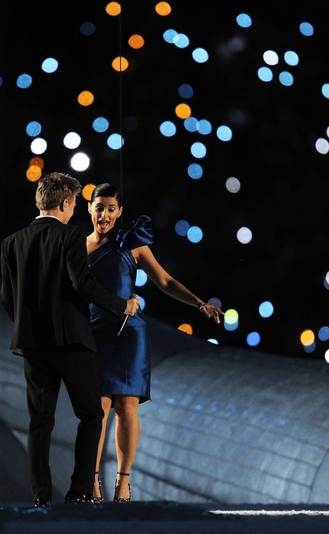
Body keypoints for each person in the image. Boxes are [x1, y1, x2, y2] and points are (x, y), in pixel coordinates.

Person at [0, 172, 141, 507]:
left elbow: (8, 299)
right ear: (64, 203)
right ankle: (79, 491)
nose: (74, 210)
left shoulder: (11, 242)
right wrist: (120, 305)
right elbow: (82, 284)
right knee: (91, 414)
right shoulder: (71, 236)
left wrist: (30, 327)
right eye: (74, 203)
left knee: (40, 421)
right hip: (72, 340)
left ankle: (39, 495)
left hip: (32, 344)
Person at [85, 183, 223, 503]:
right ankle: (90, 481)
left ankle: (122, 481)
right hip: (94, 332)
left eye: (110, 208)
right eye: (99, 206)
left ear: (119, 213)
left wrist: (199, 303)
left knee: (126, 406)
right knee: (97, 409)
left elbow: (165, 281)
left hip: (128, 332)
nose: (104, 213)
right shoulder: (78, 245)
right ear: (89, 209)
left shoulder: (131, 243)